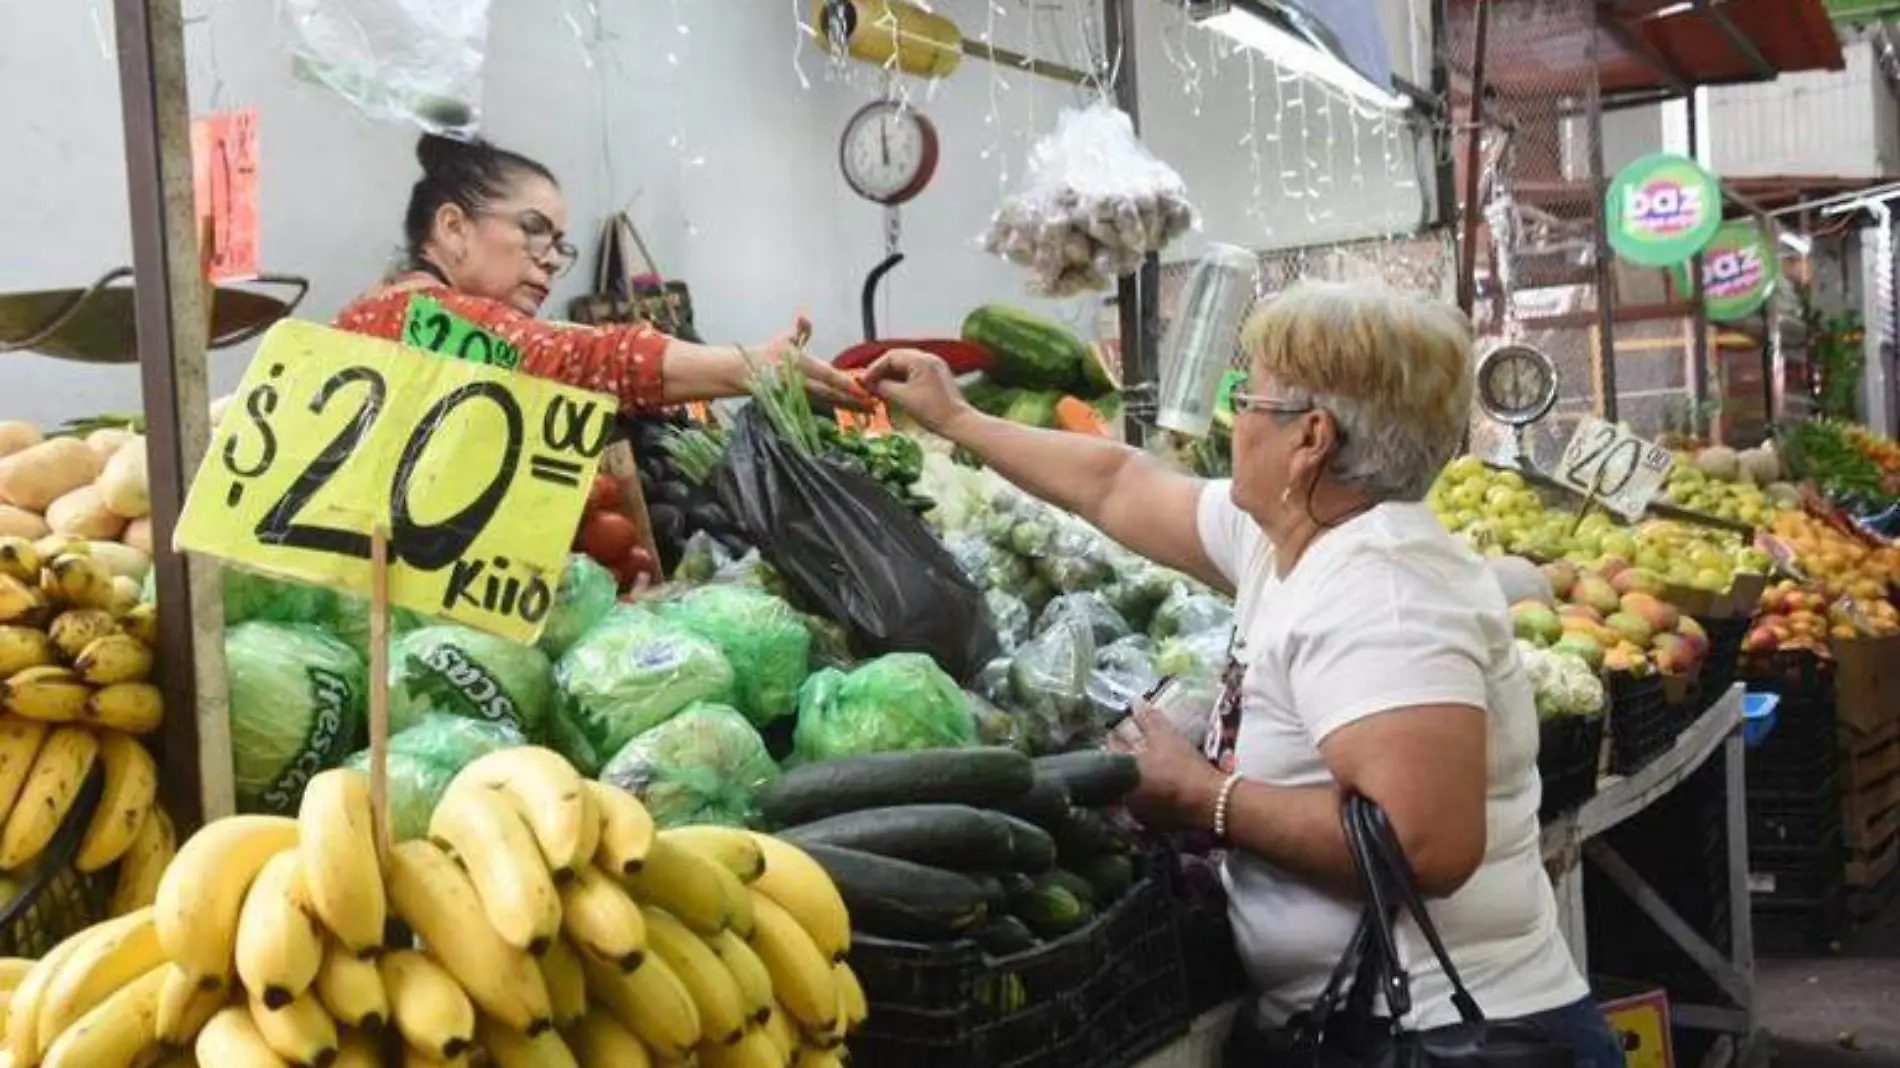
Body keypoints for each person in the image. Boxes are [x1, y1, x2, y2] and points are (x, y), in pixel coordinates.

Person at [865, 281, 1624, 1067]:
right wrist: (956, 418)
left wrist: (1201, 795)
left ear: (1312, 438)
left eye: (1249, 400)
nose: (1234, 422)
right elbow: (1117, 484)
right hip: (1373, 1027)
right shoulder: (1293, 535)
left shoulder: (1385, 592)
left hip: (1445, 1040)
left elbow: (1424, 845)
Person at [334, 134, 861, 413]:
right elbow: (579, 359)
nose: (548, 259)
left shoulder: (368, 308)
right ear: (453, 228)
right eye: (532, 229)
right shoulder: (410, 315)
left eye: (559, 245)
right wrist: (749, 365)